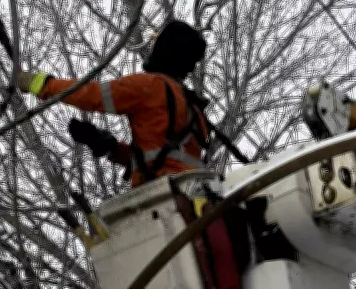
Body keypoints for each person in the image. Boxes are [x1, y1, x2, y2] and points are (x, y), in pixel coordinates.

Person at [17, 19, 211, 186]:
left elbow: (92, 95)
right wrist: (111, 148)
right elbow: (165, 157)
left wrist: (42, 84)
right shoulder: (191, 104)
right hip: (194, 190)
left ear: (164, 50)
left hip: (166, 193)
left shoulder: (152, 86)